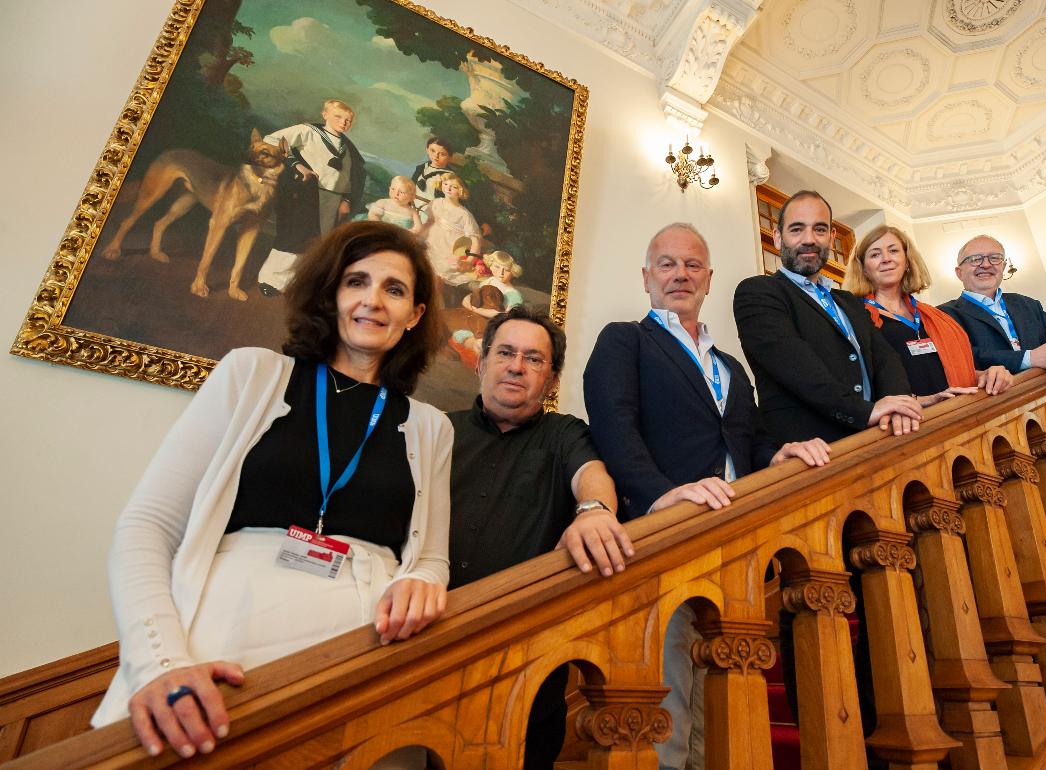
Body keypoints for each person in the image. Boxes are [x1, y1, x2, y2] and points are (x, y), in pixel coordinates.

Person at [91, 221, 451, 761]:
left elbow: (431, 559)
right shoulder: (250, 374)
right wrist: (158, 662)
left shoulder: (430, 426)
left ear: (415, 315)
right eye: (356, 281)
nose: (372, 301)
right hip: (229, 638)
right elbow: (148, 525)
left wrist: (422, 578)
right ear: (331, 295)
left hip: (364, 656)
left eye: (394, 289)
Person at [584, 222, 829, 770]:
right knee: (669, 697)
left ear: (710, 279)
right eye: (667, 264)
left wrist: (779, 454)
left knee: (718, 701)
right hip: (663, 540)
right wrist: (660, 498)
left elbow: (752, 438)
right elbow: (614, 428)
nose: (680, 274)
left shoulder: (730, 366)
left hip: (735, 545)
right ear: (647, 276)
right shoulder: (625, 339)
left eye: (692, 265)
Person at [447, 304, 634, 770]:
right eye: (506, 352)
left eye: (534, 359)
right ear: (482, 362)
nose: (516, 366)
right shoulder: (436, 430)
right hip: (432, 644)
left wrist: (593, 511)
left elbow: (591, 474)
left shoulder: (565, 433)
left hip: (527, 661)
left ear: (551, 381)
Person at [733, 190, 922, 443]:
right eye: (797, 229)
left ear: (832, 238)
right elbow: (796, 367)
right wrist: (865, 411)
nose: (809, 239)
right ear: (778, 238)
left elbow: (886, 358)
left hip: (877, 437)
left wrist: (900, 403)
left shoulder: (850, 302)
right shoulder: (758, 292)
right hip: (809, 449)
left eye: (820, 230)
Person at [843, 225, 1013, 404]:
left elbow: (953, 371)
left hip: (956, 413)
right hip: (906, 423)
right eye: (875, 254)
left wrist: (987, 374)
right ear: (863, 268)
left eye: (893, 251)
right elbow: (857, 382)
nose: (886, 259)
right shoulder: (855, 318)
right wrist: (921, 400)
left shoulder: (935, 316)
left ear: (907, 261)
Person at [257, 99, 367, 295]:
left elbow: (350, 177)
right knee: (295, 236)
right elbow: (272, 140)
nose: (344, 123)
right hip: (308, 194)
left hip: (333, 199)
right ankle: (271, 280)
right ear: (324, 115)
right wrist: (295, 164)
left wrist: (346, 200)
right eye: (338, 117)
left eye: (348, 120)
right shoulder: (308, 131)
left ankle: (296, 281)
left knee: (317, 242)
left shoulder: (348, 149)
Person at [939, 234, 1046, 374]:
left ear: (1003, 267)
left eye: (994, 258)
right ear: (959, 272)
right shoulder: (944, 315)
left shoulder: (1028, 304)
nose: (986, 264)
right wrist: (1031, 358)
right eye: (975, 259)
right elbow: (964, 359)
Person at [421, 172, 483, 285]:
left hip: (447, 252)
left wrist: (469, 262)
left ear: (460, 191)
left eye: (453, 187)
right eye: (445, 184)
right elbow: (427, 224)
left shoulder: (464, 214)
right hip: (429, 244)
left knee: (440, 271)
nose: (448, 188)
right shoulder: (435, 203)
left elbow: (476, 241)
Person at [410, 136, 457, 208]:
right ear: (427, 149)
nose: (436, 156)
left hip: (433, 210)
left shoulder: (450, 176)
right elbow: (411, 186)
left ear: (450, 157)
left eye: (442, 154)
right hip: (413, 205)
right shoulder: (421, 168)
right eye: (432, 151)